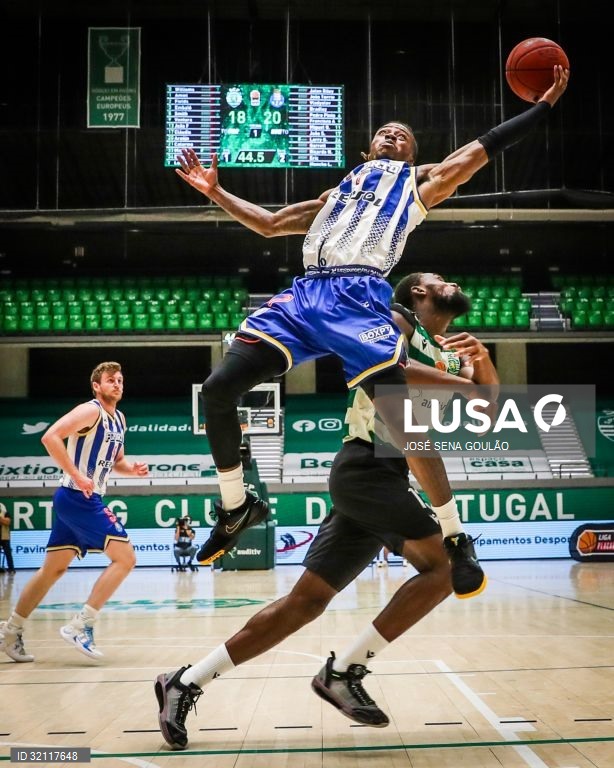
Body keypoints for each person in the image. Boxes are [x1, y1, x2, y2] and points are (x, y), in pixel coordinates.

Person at [175, 66, 568, 588]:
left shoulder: (418, 186)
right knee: (219, 388)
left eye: (405, 135)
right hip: (304, 295)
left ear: (413, 155)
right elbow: (267, 224)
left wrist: (541, 108)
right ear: (366, 152)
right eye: (386, 131)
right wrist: (215, 191)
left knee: (405, 430)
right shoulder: (332, 199)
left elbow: (479, 150)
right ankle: (235, 506)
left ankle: (454, 536)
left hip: (359, 298)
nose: (395, 134)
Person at [154, 272, 498, 750]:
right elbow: (399, 376)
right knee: (443, 568)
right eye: (438, 278)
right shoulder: (389, 321)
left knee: (305, 603)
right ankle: (344, 671)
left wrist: (481, 366)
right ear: (419, 291)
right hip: (366, 468)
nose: (452, 280)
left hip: (376, 478)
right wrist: (462, 387)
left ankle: (186, 680)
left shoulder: (440, 350)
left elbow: (489, 404)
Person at [0, 361, 148, 663]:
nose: (117, 384)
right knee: (126, 557)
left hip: (77, 497)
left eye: (120, 380)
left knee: (52, 569)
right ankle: (82, 625)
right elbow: (50, 436)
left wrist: (131, 469)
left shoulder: (119, 418)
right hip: (77, 495)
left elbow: (116, 460)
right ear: (97, 386)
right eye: (110, 380)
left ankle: (10, 631)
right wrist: (77, 474)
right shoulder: (90, 411)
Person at [0, 503, 16, 574]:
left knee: (8, 553)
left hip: (4, 537)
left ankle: (11, 568)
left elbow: (7, 522)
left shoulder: (5, 513)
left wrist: (1, 519)